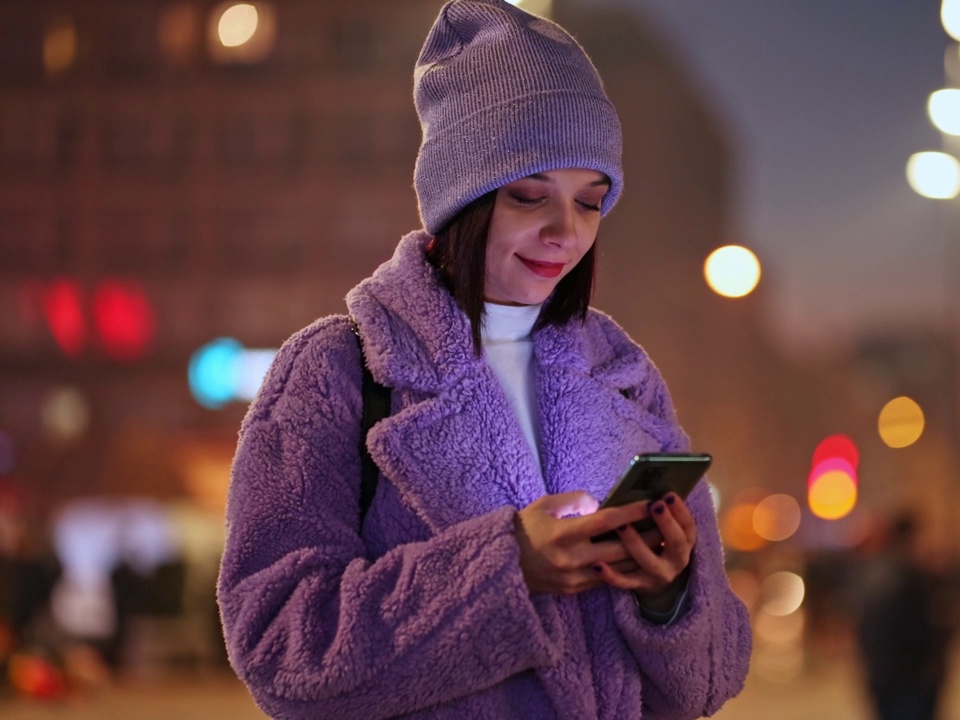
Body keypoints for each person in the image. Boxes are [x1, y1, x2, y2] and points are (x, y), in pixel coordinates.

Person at [215, 1, 752, 718]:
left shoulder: (622, 377)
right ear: (458, 201)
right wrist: (505, 570)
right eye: (530, 196)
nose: (565, 232)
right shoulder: (339, 370)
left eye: (591, 203)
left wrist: (667, 596)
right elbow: (280, 649)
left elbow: (709, 682)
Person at [848, 512, 955, 720]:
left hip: (883, 678)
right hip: (908, 681)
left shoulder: (873, 572)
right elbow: (918, 631)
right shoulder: (910, 577)